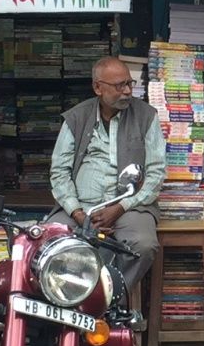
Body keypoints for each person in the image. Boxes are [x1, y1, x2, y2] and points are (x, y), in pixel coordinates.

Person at [49, 56, 165, 291]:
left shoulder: (146, 116)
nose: (127, 92)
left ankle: (108, 298)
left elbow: (156, 173)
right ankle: (71, 299)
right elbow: (59, 172)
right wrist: (80, 214)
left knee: (143, 245)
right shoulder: (76, 118)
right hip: (81, 207)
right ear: (97, 88)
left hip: (129, 206)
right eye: (119, 86)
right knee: (48, 241)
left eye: (129, 84)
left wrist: (121, 207)